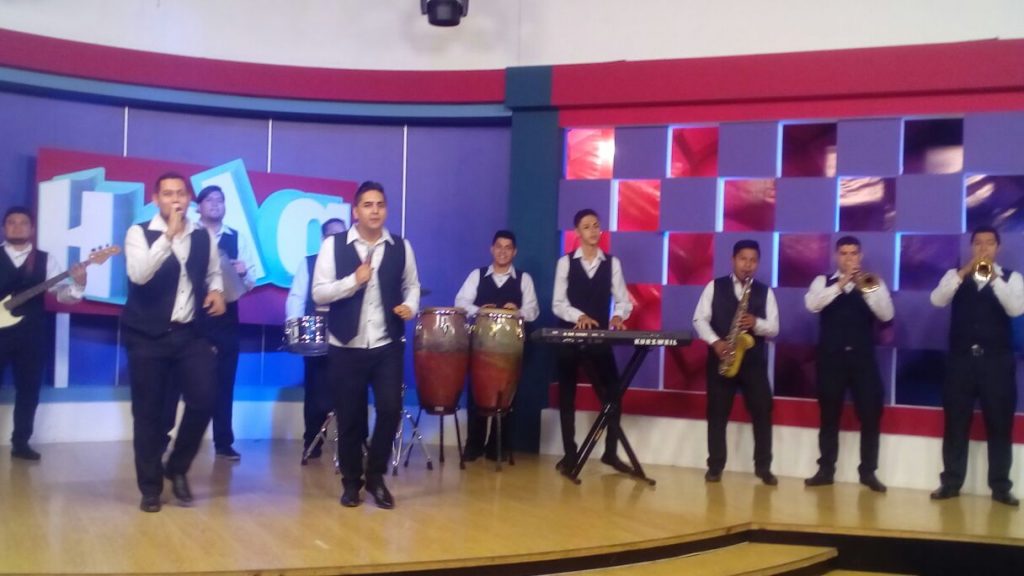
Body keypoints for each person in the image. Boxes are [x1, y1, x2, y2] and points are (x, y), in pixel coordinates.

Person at [122, 172, 226, 513]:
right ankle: (150, 487)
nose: (175, 199)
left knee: (205, 399)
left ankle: (177, 466)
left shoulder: (202, 236)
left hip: (188, 333)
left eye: (181, 193)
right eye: (168, 194)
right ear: (156, 199)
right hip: (147, 335)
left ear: (189, 198)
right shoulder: (139, 233)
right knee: (149, 414)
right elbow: (139, 274)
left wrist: (216, 290)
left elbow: (213, 272)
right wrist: (168, 235)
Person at [312, 181, 419, 509]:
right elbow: (319, 293)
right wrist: (352, 281)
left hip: (386, 343)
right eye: (368, 205)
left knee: (390, 409)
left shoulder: (400, 246)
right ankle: (351, 482)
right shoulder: (333, 245)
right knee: (350, 417)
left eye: (380, 205)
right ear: (355, 211)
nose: (375, 211)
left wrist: (410, 306)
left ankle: (375, 477)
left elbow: (412, 285)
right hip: (346, 345)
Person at [929, 225, 1023, 506]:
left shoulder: (1013, 278)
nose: (983, 248)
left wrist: (993, 278)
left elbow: (1015, 308)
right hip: (961, 363)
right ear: (971, 247)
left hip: (997, 363)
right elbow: (937, 299)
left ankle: (1000, 487)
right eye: (978, 243)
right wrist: (963, 273)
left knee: (1000, 425)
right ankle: (951, 483)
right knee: (956, 424)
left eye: (989, 243)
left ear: (998, 248)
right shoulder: (955, 275)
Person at [803, 236, 893, 492]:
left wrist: (864, 287)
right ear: (836, 256)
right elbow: (812, 305)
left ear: (860, 256)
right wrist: (840, 284)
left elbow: (886, 314)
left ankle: (868, 472)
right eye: (843, 253)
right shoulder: (822, 281)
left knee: (871, 415)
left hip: (862, 359)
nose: (849, 258)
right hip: (831, 359)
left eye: (853, 253)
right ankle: (825, 470)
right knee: (829, 416)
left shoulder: (872, 282)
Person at [0, 206, 86, 460]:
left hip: (31, 336)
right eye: (12, 222)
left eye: (23, 223)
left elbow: (63, 295)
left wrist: (79, 283)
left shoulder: (45, 260)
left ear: (32, 228)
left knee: (29, 391)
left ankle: (21, 443)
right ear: (4, 228)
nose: (17, 227)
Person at [552, 208, 634, 475]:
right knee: (567, 395)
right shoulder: (565, 263)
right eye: (587, 226)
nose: (593, 230)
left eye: (596, 225)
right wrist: (579, 316)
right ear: (577, 232)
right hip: (570, 336)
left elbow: (623, 300)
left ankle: (610, 452)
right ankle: (570, 454)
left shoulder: (612, 263)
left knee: (613, 393)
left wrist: (618, 316)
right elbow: (558, 303)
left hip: (599, 337)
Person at [693, 239, 779, 485]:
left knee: (762, 413)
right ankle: (715, 467)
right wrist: (716, 343)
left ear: (758, 263)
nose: (747, 265)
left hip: (753, 363)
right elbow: (699, 320)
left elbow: (774, 328)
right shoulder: (714, 286)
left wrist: (756, 323)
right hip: (722, 357)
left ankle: (763, 468)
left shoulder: (765, 291)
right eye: (743, 259)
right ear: (733, 260)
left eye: (753, 260)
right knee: (717, 415)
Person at [454, 230, 539, 461]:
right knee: (477, 393)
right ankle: (474, 445)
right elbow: (460, 302)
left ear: (515, 252)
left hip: (511, 348)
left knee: (507, 394)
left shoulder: (524, 279)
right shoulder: (477, 275)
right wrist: (479, 310)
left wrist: (518, 311)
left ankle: (498, 447)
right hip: (480, 346)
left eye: (508, 247)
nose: (503, 251)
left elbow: (533, 310)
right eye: (499, 246)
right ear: (492, 249)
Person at [196, 185, 257, 461]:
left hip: (227, 320)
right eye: (209, 200)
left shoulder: (236, 237)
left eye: (220, 200)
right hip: (193, 318)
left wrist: (243, 273)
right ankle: (170, 439)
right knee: (186, 381)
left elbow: (251, 283)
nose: (215, 204)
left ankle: (223, 442)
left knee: (224, 383)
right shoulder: (190, 234)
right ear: (199, 206)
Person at [286, 217, 347, 459]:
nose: (337, 240)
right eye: (332, 235)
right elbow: (296, 298)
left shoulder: (354, 264)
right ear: (323, 239)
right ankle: (312, 442)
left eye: (341, 235)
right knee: (315, 392)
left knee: (349, 389)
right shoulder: (309, 263)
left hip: (347, 336)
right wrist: (295, 331)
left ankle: (351, 443)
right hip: (316, 335)